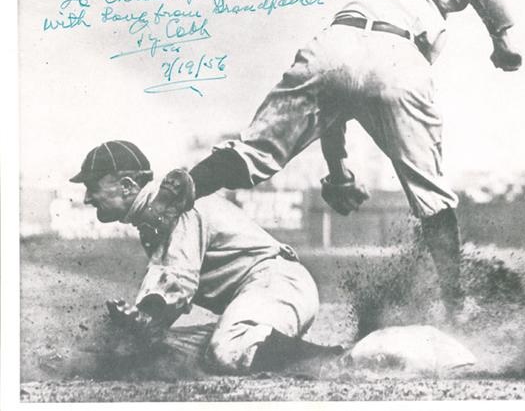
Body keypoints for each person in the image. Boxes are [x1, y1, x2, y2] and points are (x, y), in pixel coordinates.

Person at [136, 0, 523, 321]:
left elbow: (330, 119)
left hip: (328, 53)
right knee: (432, 195)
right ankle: (456, 306)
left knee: (254, 153)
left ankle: (186, 186)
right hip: (397, 58)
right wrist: (501, 38)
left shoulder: (345, 17)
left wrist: (339, 174)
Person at [69, 140, 343, 374]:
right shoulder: (155, 214)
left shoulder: (174, 207)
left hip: (275, 284)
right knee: (166, 351)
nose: (87, 198)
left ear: (127, 185)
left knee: (226, 350)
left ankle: (339, 362)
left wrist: (144, 319)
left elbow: (177, 283)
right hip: (261, 294)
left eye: (93, 187)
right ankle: (273, 341)